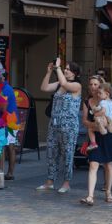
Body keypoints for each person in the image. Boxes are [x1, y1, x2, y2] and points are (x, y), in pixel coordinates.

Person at [37, 58, 82, 194]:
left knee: (67, 154)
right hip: (55, 123)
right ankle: (50, 181)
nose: (66, 70)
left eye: (68, 69)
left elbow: (64, 82)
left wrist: (58, 68)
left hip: (69, 125)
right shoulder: (59, 84)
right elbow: (44, 87)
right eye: (65, 68)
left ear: (75, 73)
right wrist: (49, 72)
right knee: (51, 152)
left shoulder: (76, 86)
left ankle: (66, 182)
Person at [80, 76, 112, 205]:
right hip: (95, 136)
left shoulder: (108, 101)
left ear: (101, 87)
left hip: (109, 135)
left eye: (95, 84)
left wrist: (109, 123)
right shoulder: (87, 102)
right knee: (93, 164)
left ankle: (108, 192)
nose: (92, 87)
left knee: (109, 165)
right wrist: (94, 126)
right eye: (91, 84)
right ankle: (90, 196)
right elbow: (84, 120)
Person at [87, 82, 112, 148]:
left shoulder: (103, 102)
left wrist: (95, 113)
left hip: (104, 122)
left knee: (90, 129)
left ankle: (93, 143)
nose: (98, 95)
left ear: (107, 94)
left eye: (100, 93)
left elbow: (102, 111)